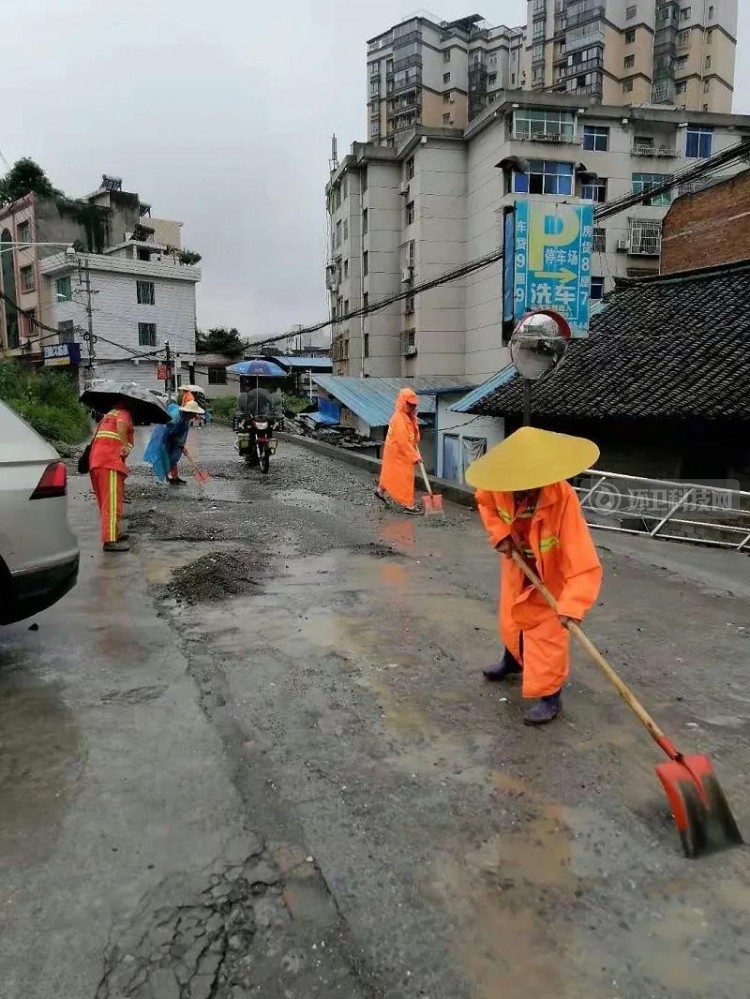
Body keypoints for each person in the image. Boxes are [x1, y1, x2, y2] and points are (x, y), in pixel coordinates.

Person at [468, 427, 602, 725]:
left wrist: (573, 604)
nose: (522, 487)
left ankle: (550, 696)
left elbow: (583, 560)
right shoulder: (499, 484)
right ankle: (513, 661)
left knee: (548, 634)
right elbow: (485, 503)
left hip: (551, 574)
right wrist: (500, 535)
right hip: (518, 565)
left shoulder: (561, 498)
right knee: (512, 617)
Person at [89, 397, 135, 553]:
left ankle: (112, 533)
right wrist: (124, 444)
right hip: (110, 462)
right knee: (112, 502)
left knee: (105, 502)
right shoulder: (123, 413)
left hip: (97, 462)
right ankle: (110, 540)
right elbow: (122, 424)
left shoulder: (108, 415)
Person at [375, 388, 421, 514]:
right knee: (406, 477)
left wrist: (416, 436)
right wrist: (414, 456)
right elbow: (403, 442)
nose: (412, 406)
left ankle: (380, 491)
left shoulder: (408, 416)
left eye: (413, 404)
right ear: (402, 402)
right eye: (409, 404)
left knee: (389, 471)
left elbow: (413, 432)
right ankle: (408, 505)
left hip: (396, 451)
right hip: (398, 452)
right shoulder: (399, 419)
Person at [145, 399, 205, 484]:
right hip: (166, 436)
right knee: (172, 457)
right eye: (194, 413)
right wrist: (181, 446)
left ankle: (174, 476)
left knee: (173, 457)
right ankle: (166, 474)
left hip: (168, 432)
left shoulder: (181, 413)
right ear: (189, 412)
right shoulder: (180, 423)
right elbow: (173, 435)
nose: (194, 415)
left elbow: (171, 406)